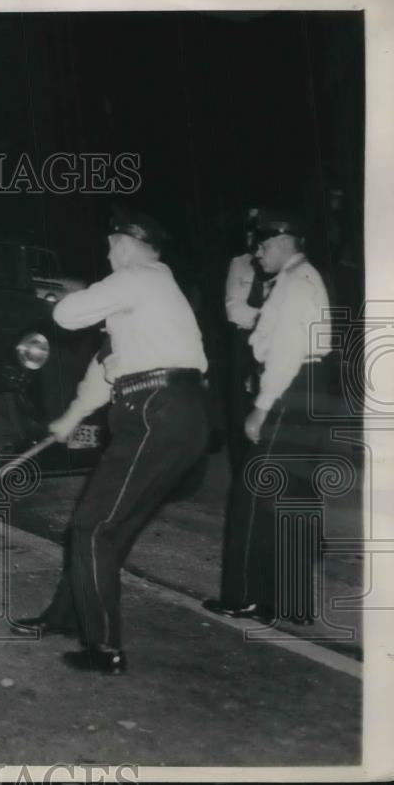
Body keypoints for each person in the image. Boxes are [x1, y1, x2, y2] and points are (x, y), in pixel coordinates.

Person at [11, 209, 209, 674]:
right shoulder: (156, 296)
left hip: (153, 413)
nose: (107, 254)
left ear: (125, 243)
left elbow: (65, 314)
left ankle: (103, 650)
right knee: (105, 526)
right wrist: (70, 419)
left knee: (92, 527)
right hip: (177, 414)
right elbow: (106, 372)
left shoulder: (138, 277)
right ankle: (66, 616)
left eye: (110, 246)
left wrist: (73, 293)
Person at [203, 210, 332, 625]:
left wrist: (261, 407)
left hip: (290, 388)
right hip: (312, 388)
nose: (256, 253)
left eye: (262, 245)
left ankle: (243, 596)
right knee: (293, 495)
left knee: (253, 493)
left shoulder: (293, 284)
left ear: (283, 241)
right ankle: (291, 602)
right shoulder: (306, 277)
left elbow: (287, 351)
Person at [223, 208, 275, 476]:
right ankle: (241, 469)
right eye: (247, 232)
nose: (250, 239)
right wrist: (271, 317)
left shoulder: (284, 269)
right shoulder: (239, 263)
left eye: (255, 233)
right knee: (239, 407)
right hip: (243, 344)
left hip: (274, 346)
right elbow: (234, 310)